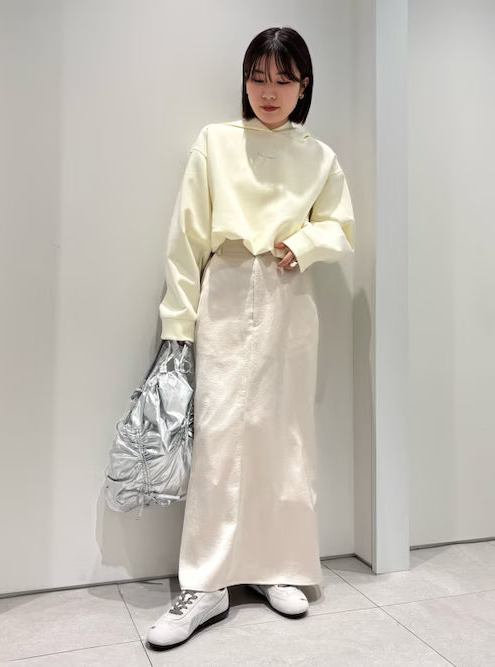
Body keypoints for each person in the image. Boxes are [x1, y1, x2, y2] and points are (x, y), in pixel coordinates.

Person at [147, 26, 355, 651]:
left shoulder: (320, 156)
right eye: (258, 77)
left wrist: (305, 242)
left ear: (304, 86)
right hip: (228, 286)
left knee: (283, 434)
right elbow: (186, 238)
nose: (269, 91)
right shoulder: (216, 142)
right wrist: (177, 325)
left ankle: (277, 566)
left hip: (290, 297)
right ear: (244, 81)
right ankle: (205, 583)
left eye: (283, 79)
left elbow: (341, 226)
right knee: (219, 435)